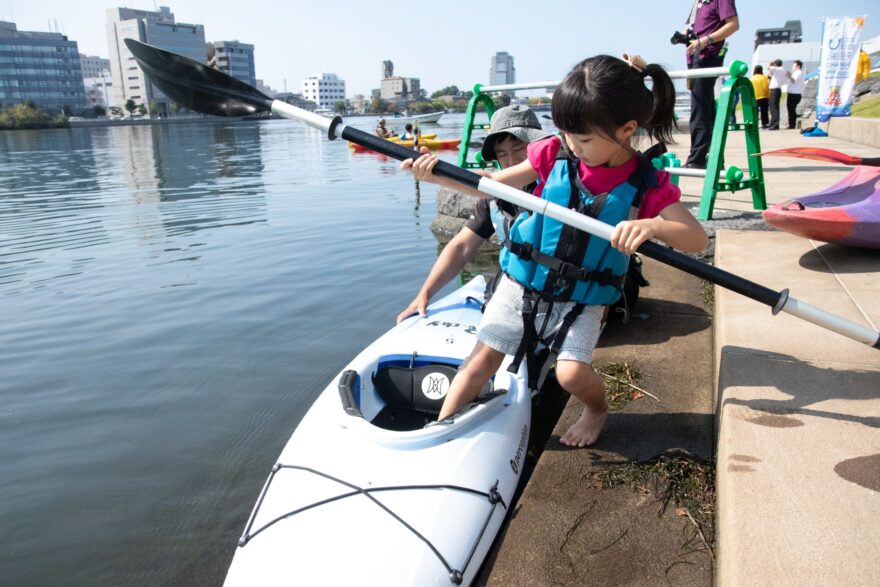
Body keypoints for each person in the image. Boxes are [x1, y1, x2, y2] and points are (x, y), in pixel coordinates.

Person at [401, 54, 708, 446]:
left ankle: (597, 409)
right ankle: (439, 434)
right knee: (478, 363)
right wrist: (435, 173)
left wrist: (653, 225)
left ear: (627, 129)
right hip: (522, 281)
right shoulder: (554, 153)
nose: (570, 145)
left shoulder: (647, 183)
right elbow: (491, 184)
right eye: (565, 134)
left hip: (583, 297)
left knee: (570, 375)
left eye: (582, 139)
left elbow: (695, 237)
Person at [397, 105, 550, 324]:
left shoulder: (560, 185)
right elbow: (460, 247)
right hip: (517, 293)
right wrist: (425, 294)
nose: (511, 161)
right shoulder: (495, 199)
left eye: (518, 149)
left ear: (537, 147)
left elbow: (487, 179)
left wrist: (438, 176)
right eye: (503, 154)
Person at [682, 0, 739, 168]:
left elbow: (733, 24)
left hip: (707, 57)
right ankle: (713, 158)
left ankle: (698, 158)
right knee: (705, 109)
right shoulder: (698, 3)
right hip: (696, 58)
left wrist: (705, 40)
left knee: (700, 110)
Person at [767, 59, 787, 130]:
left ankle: (774, 124)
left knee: (773, 108)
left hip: (774, 90)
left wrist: (770, 64)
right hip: (778, 89)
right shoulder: (783, 70)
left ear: (775, 64)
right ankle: (775, 124)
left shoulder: (777, 69)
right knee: (776, 107)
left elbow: (769, 68)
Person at [785, 60, 804, 130]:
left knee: (791, 109)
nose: (792, 67)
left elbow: (793, 80)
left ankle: (792, 124)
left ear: (798, 66)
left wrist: (789, 75)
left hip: (794, 94)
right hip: (795, 94)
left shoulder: (798, 72)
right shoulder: (798, 73)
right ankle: (791, 124)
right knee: (791, 109)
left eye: (794, 65)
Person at [750, 64, 770, 129]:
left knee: (755, 111)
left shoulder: (751, 78)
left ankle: (755, 124)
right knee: (764, 111)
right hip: (764, 96)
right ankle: (765, 124)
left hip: (755, 96)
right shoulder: (765, 77)